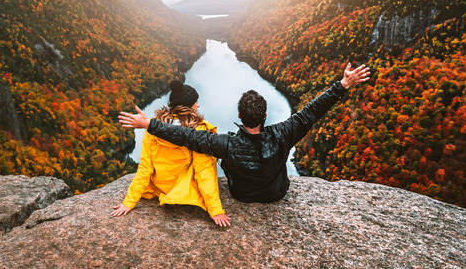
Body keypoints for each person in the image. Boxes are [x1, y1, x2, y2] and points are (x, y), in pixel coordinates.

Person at [119, 62, 371, 203]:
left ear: (239, 116)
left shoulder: (224, 144)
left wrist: (149, 125)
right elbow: (312, 112)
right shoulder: (284, 133)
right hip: (276, 194)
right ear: (265, 115)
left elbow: (186, 136)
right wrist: (343, 84)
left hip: (240, 195)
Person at [111, 80, 231, 227]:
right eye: (195, 102)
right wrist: (215, 209)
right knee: (206, 160)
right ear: (187, 107)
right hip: (183, 189)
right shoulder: (199, 130)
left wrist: (129, 202)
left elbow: (145, 167)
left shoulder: (154, 127)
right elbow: (203, 171)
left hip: (159, 185)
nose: (198, 105)